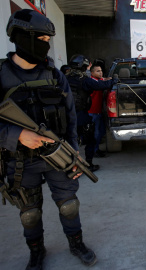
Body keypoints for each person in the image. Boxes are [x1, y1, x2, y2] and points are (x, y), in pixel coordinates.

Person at [0, 9, 97, 269]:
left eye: (47, 41)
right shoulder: (1, 75)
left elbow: (71, 118)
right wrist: (17, 134)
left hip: (57, 156)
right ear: (21, 37)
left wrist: (74, 153)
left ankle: (76, 243)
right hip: (19, 161)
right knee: (29, 213)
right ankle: (36, 251)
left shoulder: (55, 75)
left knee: (69, 206)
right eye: (41, 40)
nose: (46, 46)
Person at [65, 55, 117, 170]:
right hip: (81, 115)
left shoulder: (64, 78)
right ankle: (88, 165)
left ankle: (69, 165)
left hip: (65, 115)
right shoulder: (84, 81)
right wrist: (114, 80)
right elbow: (101, 85)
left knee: (70, 142)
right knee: (91, 140)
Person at [88, 65, 110, 158]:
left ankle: (96, 149)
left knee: (101, 132)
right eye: (98, 71)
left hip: (98, 112)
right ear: (92, 73)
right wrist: (111, 80)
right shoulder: (92, 82)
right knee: (95, 133)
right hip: (93, 112)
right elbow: (104, 84)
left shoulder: (97, 80)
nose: (100, 72)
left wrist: (107, 79)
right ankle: (94, 151)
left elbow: (103, 80)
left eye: (101, 70)